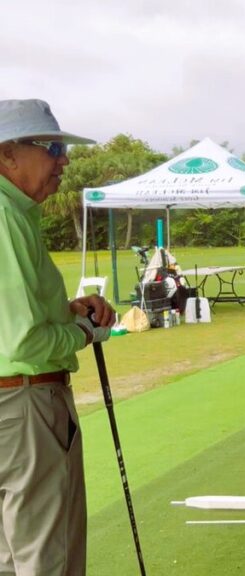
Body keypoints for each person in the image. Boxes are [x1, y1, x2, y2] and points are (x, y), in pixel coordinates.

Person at [0, 99, 116, 575]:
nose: (63, 159)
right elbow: (21, 344)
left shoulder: (17, 213)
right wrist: (85, 331)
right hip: (23, 409)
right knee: (47, 560)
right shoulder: (5, 219)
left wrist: (65, 311)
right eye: (51, 147)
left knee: (11, 558)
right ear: (7, 153)